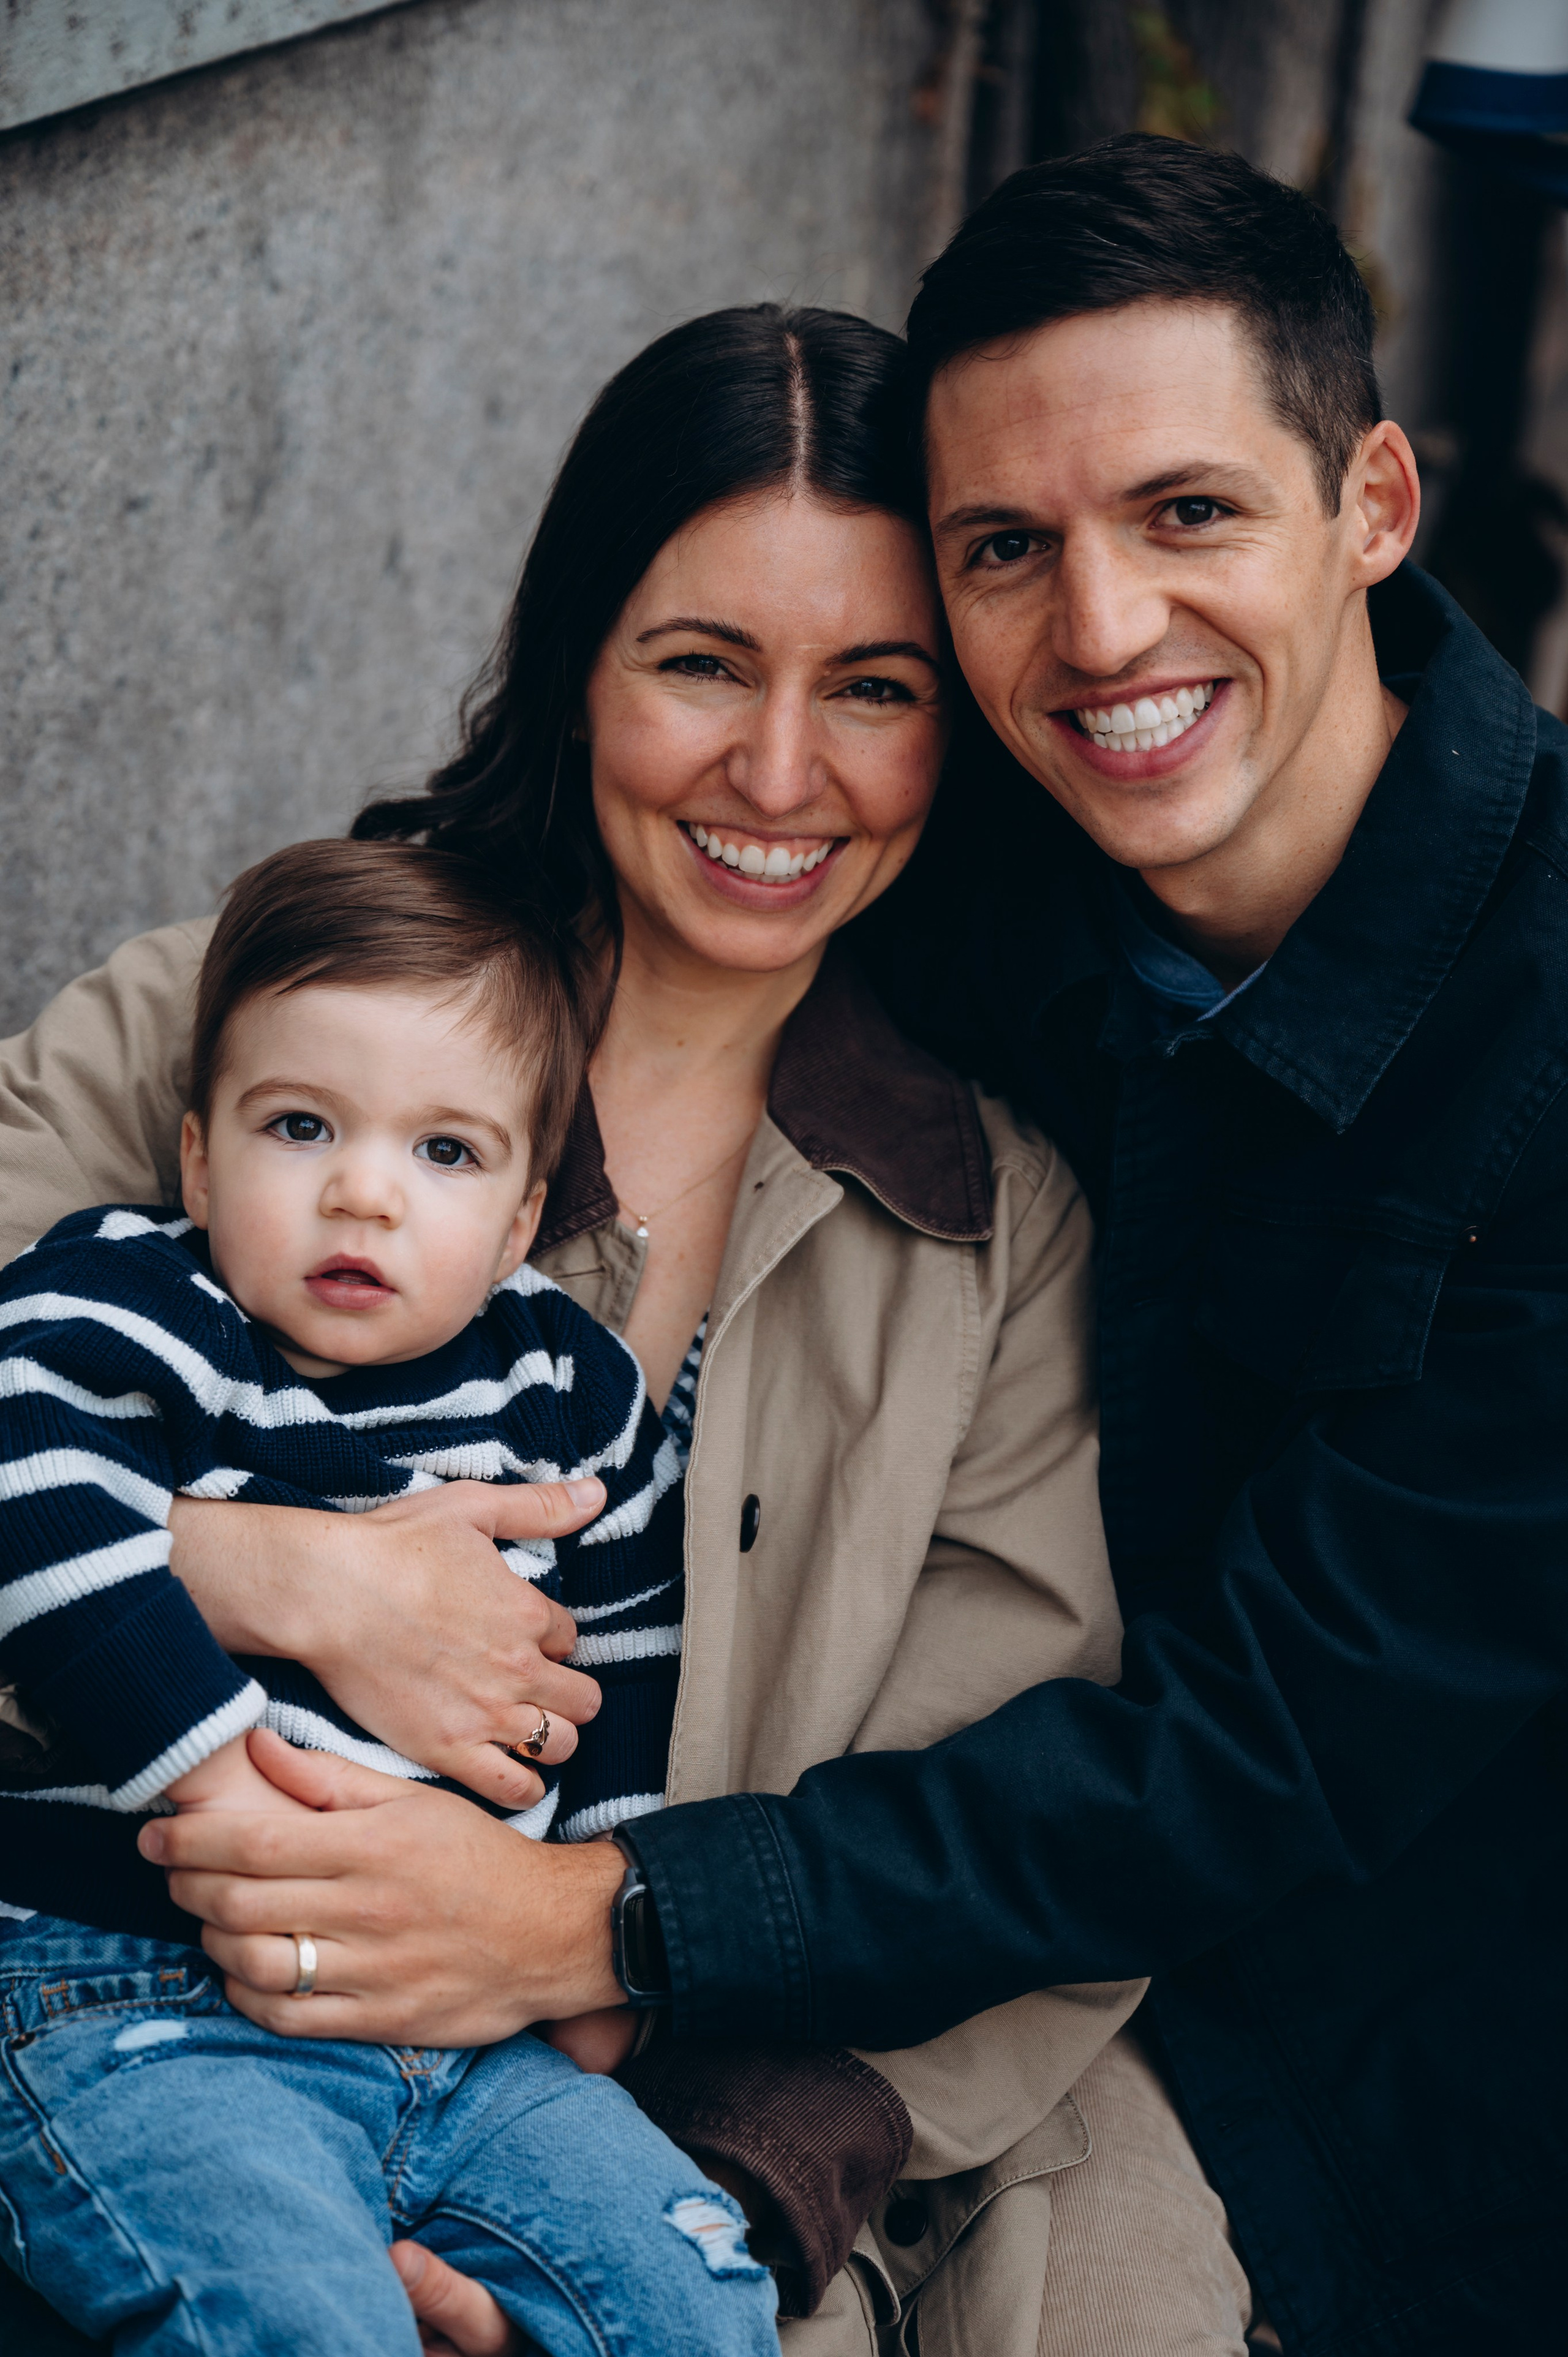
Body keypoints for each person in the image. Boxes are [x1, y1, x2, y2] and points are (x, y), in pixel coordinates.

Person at [72, 136, 1568, 2353]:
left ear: (1370, 501)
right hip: (193, 2008)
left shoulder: (1099, 1103)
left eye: (1190, 511)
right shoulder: (356, 1008)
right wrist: (262, 1563)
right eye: (1007, 552)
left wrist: (610, 1960)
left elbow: (1224, 1750)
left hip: (1355, 2056)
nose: (1103, 629)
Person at [0, 306, 1156, 2357]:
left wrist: (666, 2180)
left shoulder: (993, 1229)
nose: (779, 772)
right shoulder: (247, 1020)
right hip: (109, 2050)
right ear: (573, 661)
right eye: (702, 660)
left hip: (607, 2154)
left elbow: (1020, 1853)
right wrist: (271, 1565)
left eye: (873, 689)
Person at [0, 837, 782, 2356]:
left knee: (688, 2286)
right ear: (200, 1160)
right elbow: (33, 1511)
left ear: (516, 1217)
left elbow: (622, 1644)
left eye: (445, 1151)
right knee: (289, 2313)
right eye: (302, 1125)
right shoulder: (123, 1304)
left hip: (470, 2041)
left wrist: (598, 1966)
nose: (363, 1190)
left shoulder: (568, 1381)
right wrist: (228, 1781)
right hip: (122, 1987)